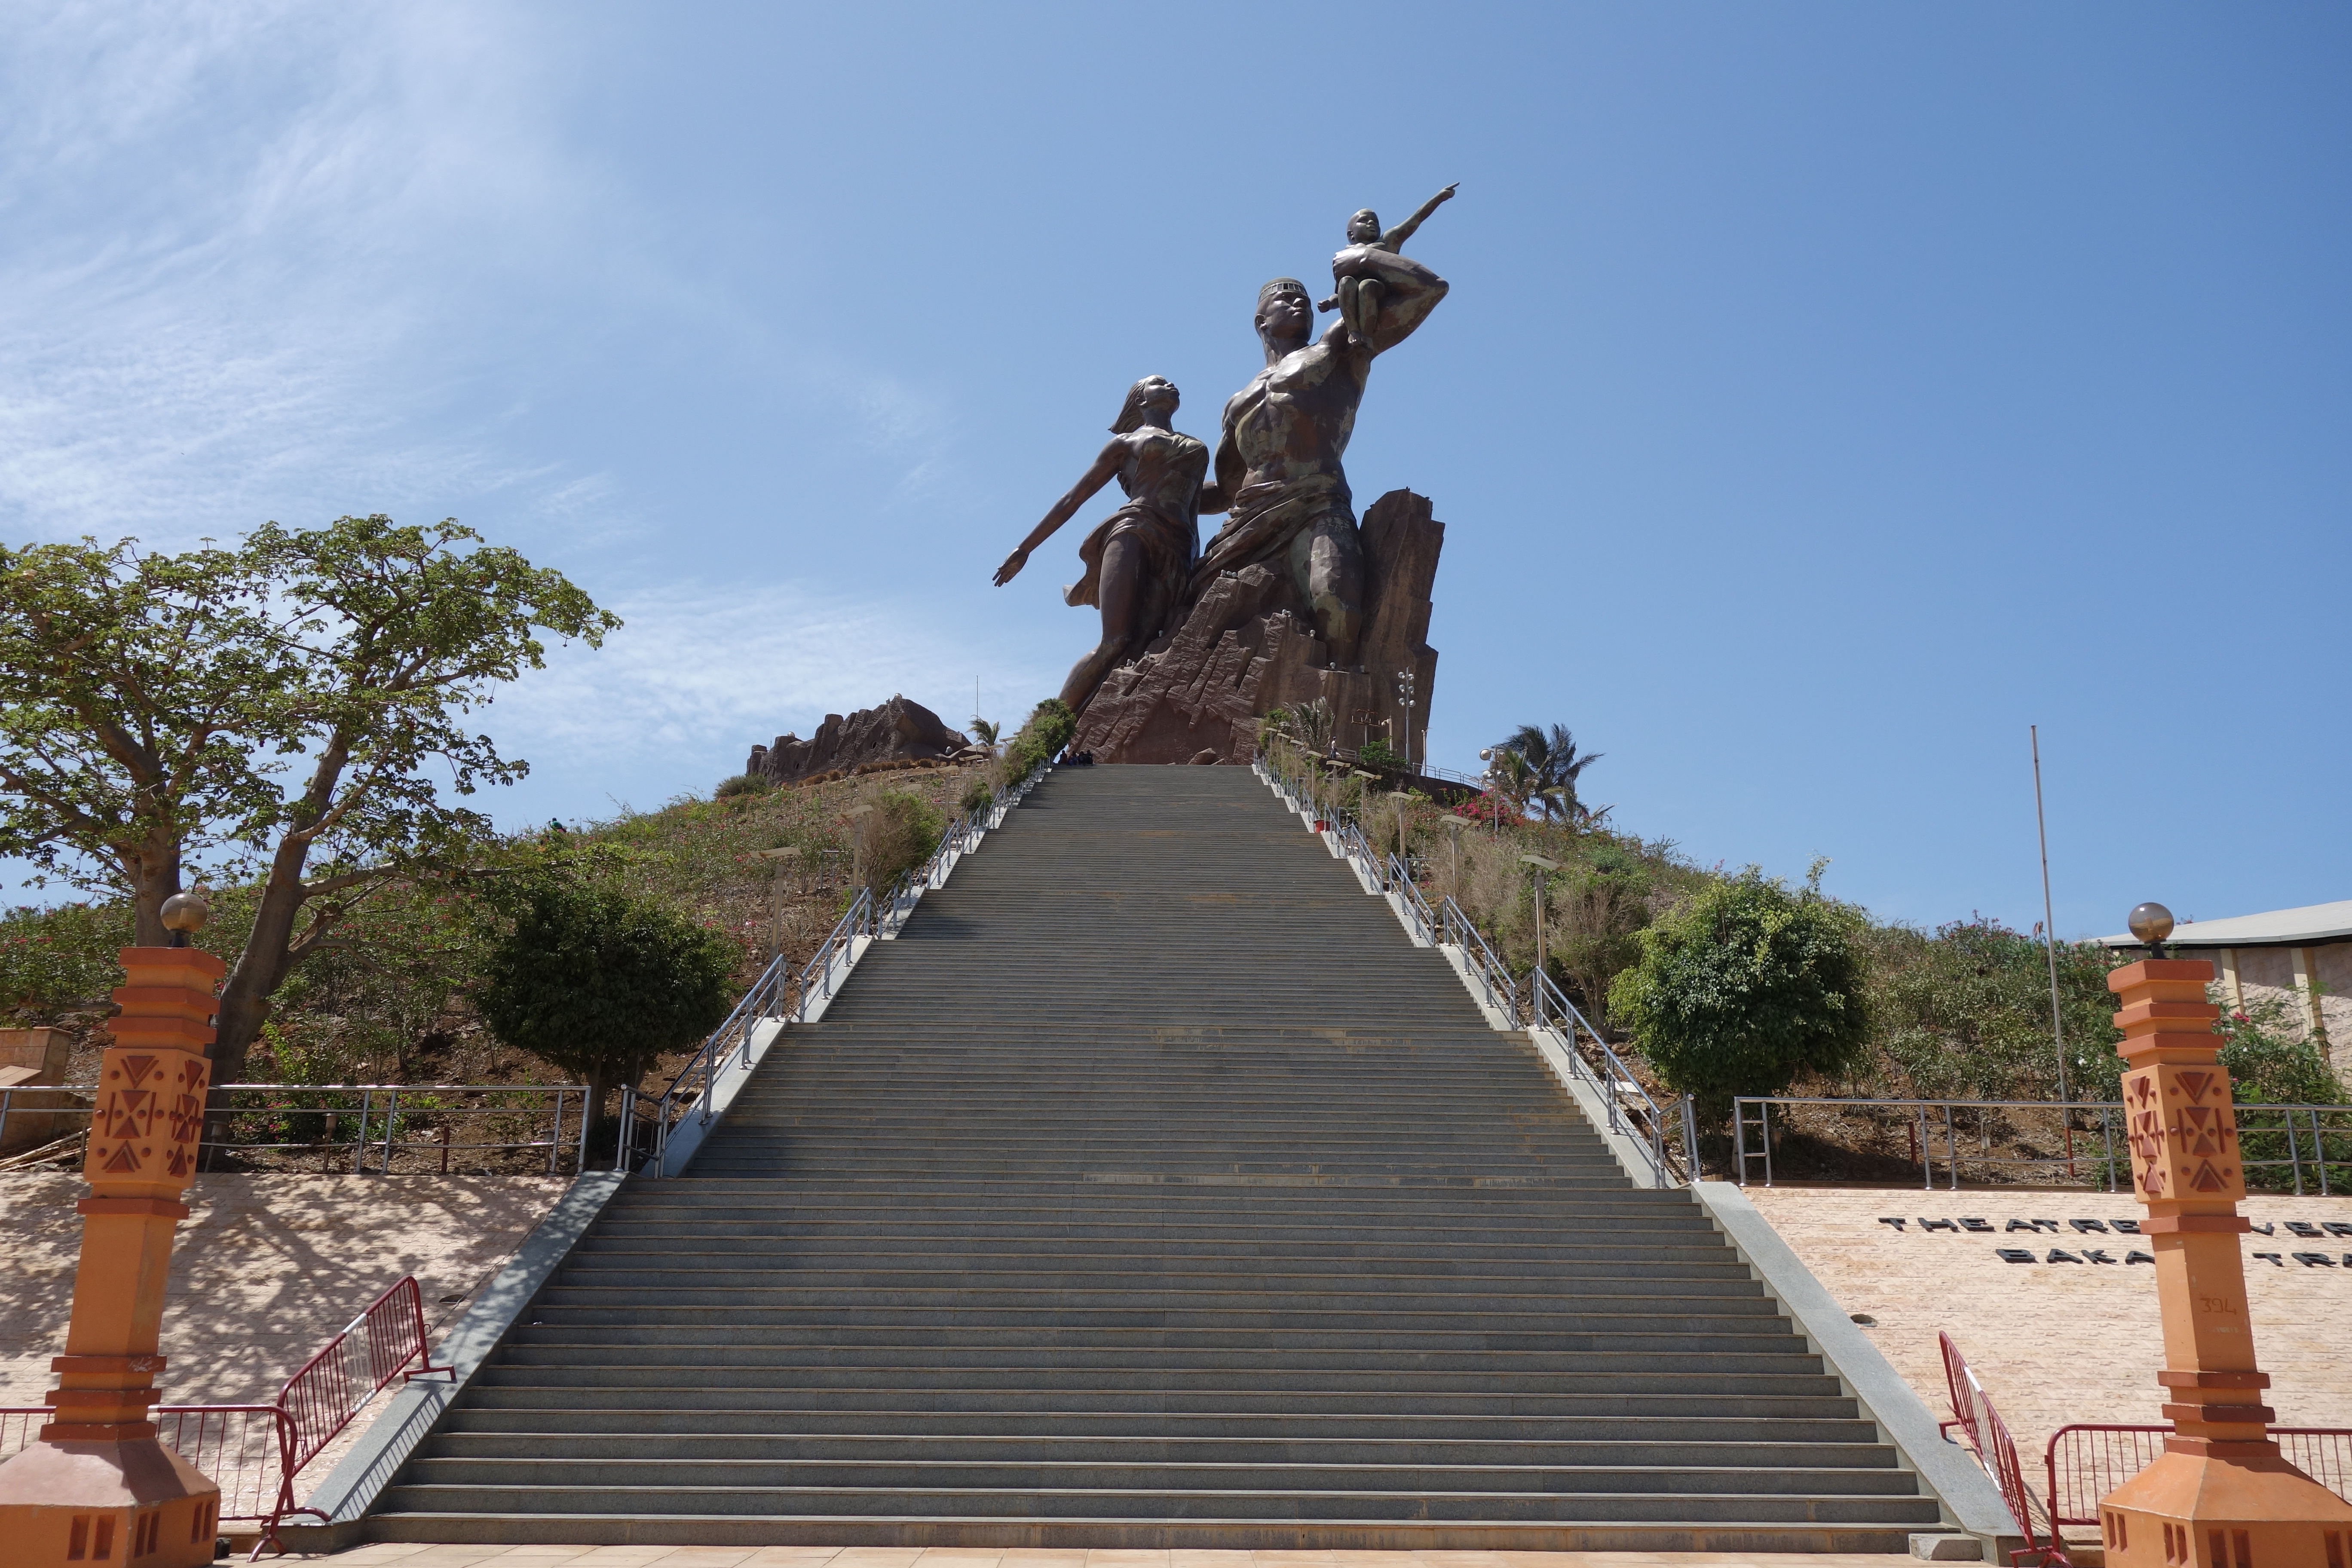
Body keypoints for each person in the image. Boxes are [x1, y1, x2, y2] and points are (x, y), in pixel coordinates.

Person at [1192, 239, 1448, 668]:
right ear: (1261, 320)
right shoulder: (1237, 402)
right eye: (1287, 299)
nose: (1300, 305)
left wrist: (1364, 259)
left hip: (1317, 503)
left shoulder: (1339, 345)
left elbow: (1430, 290)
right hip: (1247, 521)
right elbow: (1229, 490)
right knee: (1195, 618)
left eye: (1306, 301)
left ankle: (1336, 713)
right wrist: (1160, 497)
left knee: (1337, 603)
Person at [993, 376, 1210, 711]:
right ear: (1140, 401)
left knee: (1140, 647)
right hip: (1134, 530)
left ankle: (1090, 729)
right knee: (1115, 642)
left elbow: (1202, 498)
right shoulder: (1125, 444)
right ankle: (1041, 736)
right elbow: (1073, 499)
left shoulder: (1195, 445)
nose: (1171, 385)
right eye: (1159, 382)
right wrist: (1025, 548)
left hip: (1180, 548)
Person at [1319, 183, 1456, 346]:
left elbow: (1415, 220)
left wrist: (1439, 198)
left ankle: (1368, 336)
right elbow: (1340, 294)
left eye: (1375, 222)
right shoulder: (1343, 258)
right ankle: (1354, 331)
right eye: (1364, 221)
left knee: (1367, 285)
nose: (1372, 223)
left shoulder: (1386, 242)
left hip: (1379, 291)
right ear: (1351, 235)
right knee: (1346, 282)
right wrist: (1329, 303)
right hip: (1354, 302)